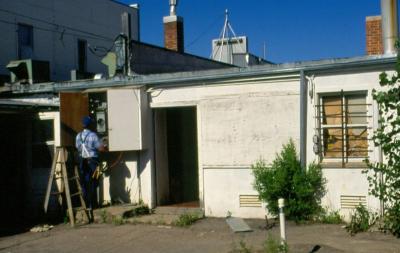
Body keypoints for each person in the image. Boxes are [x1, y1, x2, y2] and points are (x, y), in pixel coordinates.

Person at [75, 116, 105, 213]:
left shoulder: (78, 136)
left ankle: (87, 204)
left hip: (82, 162)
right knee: (95, 181)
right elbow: (101, 149)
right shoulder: (93, 135)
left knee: (85, 182)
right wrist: (105, 145)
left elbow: (77, 147)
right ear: (90, 125)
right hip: (94, 162)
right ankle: (93, 204)